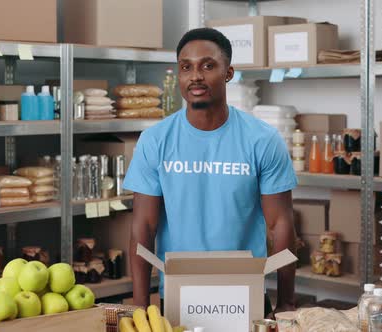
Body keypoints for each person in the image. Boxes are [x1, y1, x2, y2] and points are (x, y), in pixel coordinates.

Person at [124, 27, 298, 318]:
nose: (195, 76)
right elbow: (143, 226)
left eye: (208, 65)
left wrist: (286, 303)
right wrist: (141, 306)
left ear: (228, 73)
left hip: (246, 292)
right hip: (179, 295)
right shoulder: (155, 140)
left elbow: (280, 223)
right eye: (186, 67)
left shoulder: (262, 139)